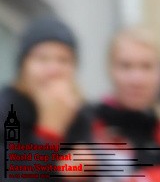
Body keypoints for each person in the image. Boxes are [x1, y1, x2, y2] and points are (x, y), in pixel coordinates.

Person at [0, 16, 94, 181]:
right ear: (23, 66)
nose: (53, 70)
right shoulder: (5, 110)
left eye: (63, 60)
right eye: (42, 59)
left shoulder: (80, 113)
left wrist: (87, 171)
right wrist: (49, 133)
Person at [90, 27, 160, 179]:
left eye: (146, 67)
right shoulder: (90, 124)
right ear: (110, 70)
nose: (136, 79)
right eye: (126, 66)